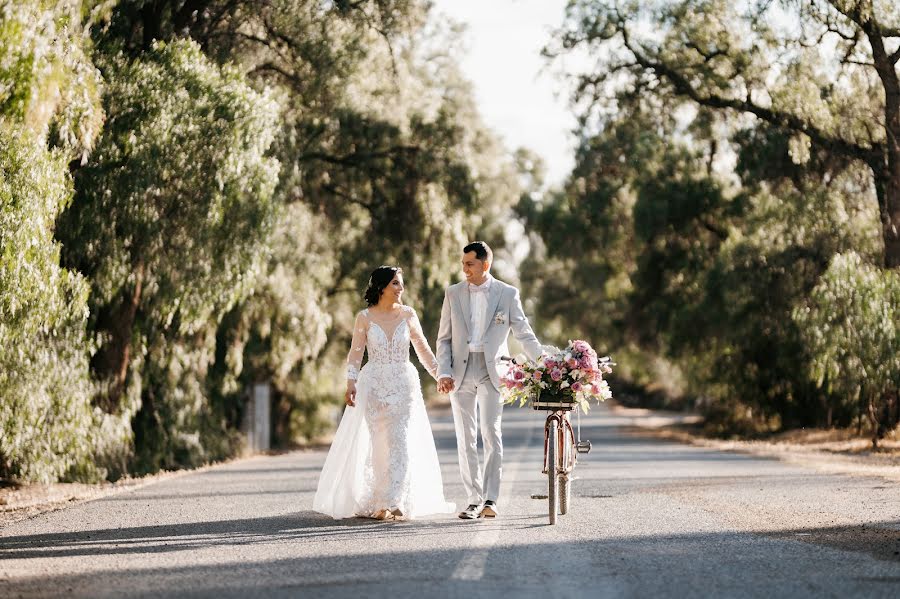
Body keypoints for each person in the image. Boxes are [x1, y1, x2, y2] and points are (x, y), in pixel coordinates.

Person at [313, 266, 454, 520]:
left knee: (399, 440)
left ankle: (395, 498)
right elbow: (356, 353)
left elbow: (422, 348)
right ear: (382, 287)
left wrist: (439, 374)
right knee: (378, 443)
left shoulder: (408, 314)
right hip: (374, 384)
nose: (401, 289)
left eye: (401, 284)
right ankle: (380, 501)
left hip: (403, 383)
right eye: (396, 284)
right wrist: (351, 383)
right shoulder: (364, 317)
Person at [436, 241, 543, 519]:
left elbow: (523, 333)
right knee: (466, 438)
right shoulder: (453, 293)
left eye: (469, 264)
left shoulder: (507, 294)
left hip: (493, 371)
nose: (464, 269)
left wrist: (543, 361)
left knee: (491, 434)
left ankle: (490, 500)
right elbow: (444, 339)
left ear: (485, 264)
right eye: (463, 264)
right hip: (460, 372)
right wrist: (443, 371)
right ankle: (472, 499)